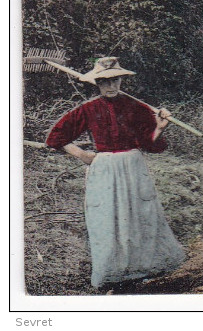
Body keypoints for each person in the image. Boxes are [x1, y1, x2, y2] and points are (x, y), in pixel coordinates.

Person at [45, 57, 186, 291]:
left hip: (133, 165)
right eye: (104, 82)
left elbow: (150, 145)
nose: (110, 86)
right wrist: (81, 154)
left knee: (140, 214)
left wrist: (160, 128)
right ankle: (113, 274)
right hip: (105, 169)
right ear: (97, 84)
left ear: (122, 80)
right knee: (107, 218)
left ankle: (144, 270)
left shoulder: (137, 108)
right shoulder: (88, 109)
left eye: (114, 80)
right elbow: (55, 138)